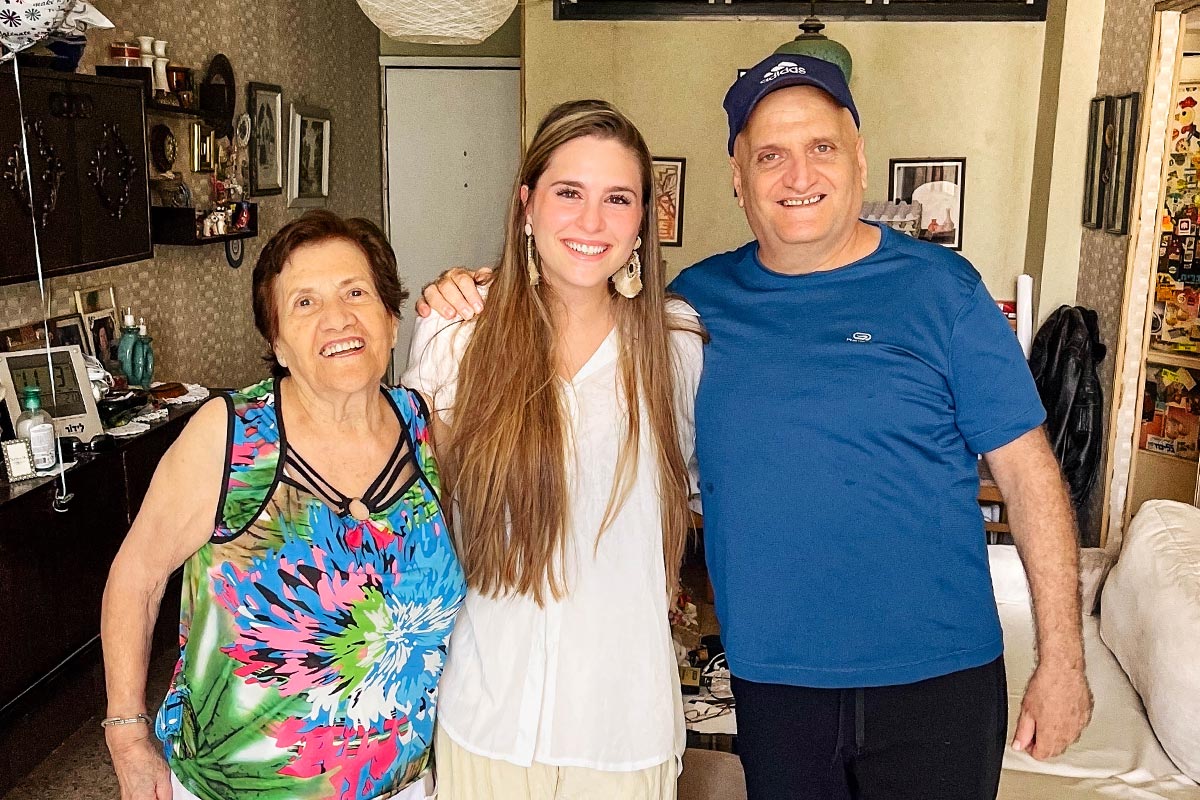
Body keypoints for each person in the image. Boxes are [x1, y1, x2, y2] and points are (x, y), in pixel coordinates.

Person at [417, 55, 1093, 800]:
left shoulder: (944, 289)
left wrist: (1062, 657)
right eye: (769, 155)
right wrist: (475, 288)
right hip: (774, 684)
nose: (797, 175)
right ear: (738, 179)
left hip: (937, 680)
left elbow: (1030, 476)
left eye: (821, 148)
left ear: (859, 158)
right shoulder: (694, 311)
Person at [101, 210, 465, 800]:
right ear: (277, 343)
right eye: (304, 303)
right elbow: (136, 577)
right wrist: (126, 735)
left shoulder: (426, 434)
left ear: (392, 320)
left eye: (356, 292)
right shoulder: (232, 436)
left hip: (400, 787)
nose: (338, 318)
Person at [402, 99, 703, 800]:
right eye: (569, 193)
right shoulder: (458, 337)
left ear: (643, 222)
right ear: (527, 204)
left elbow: (693, 495)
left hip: (624, 729)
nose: (592, 222)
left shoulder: (675, 346)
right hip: (486, 716)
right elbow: (419, 516)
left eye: (617, 199)